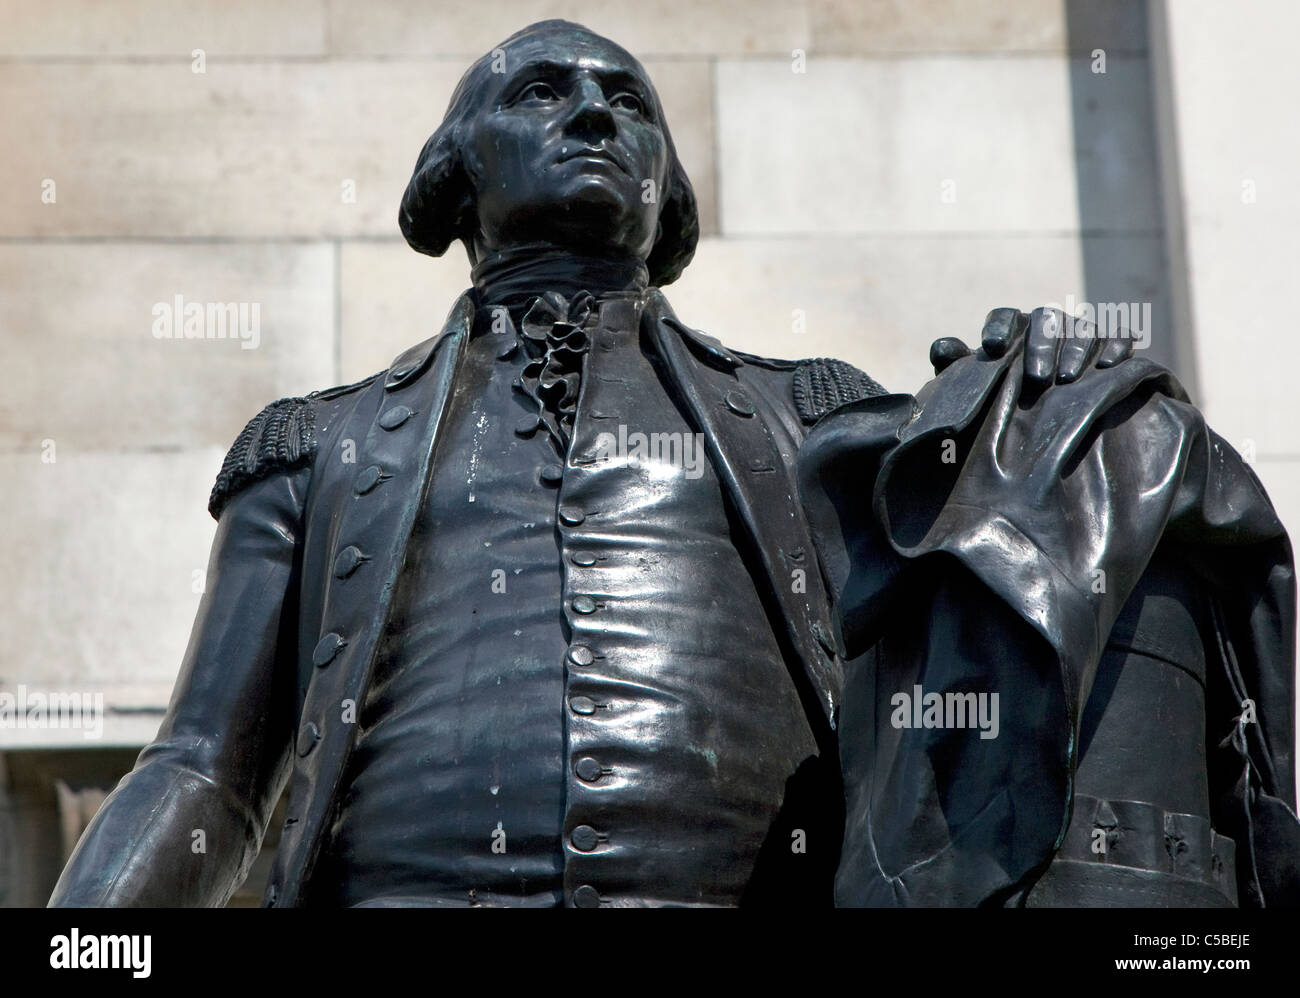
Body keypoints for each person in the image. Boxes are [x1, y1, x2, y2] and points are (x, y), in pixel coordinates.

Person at [49, 19, 1298, 908]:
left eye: (628, 100)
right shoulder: (313, 446)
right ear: (450, 175)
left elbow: (986, 603)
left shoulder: (819, 423)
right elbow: (203, 767)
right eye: (539, 92)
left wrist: (1057, 401)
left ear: (671, 191)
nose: (593, 111)